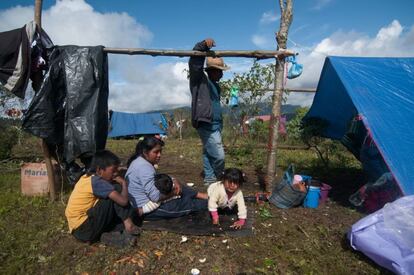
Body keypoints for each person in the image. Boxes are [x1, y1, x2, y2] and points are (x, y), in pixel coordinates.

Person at [65, 150, 139, 247]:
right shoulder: (97, 182)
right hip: (85, 227)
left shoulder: (87, 178)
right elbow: (124, 202)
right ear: (99, 171)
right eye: (113, 170)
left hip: (78, 231)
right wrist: (124, 184)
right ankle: (128, 224)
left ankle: (101, 236)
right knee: (116, 189)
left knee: (112, 195)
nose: (116, 174)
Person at [126, 136, 208, 220]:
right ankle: (213, 203)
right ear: (145, 152)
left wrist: (174, 180)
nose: (159, 155)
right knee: (188, 204)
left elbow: (158, 178)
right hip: (149, 209)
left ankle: (201, 196)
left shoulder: (140, 161)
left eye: (160, 151)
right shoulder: (144, 167)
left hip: (151, 200)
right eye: (156, 152)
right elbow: (155, 197)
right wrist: (173, 193)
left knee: (174, 184)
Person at [189, 38, 229, 185]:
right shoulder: (199, 80)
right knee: (219, 156)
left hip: (216, 124)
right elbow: (194, 63)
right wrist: (202, 46)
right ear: (212, 71)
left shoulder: (215, 85)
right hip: (206, 123)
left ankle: (210, 179)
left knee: (208, 152)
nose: (222, 75)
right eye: (220, 72)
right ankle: (220, 176)